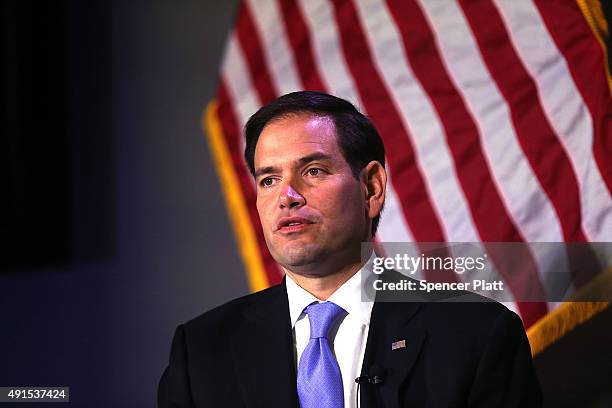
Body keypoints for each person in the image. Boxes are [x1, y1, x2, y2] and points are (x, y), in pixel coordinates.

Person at [158, 91, 542, 408]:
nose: (287, 197)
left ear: (371, 188)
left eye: (313, 171)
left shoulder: (474, 333)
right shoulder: (202, 350)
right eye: (269, 179)